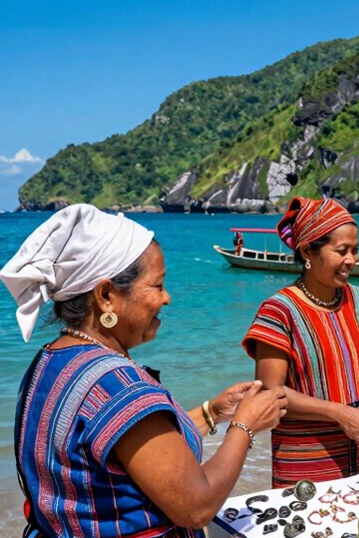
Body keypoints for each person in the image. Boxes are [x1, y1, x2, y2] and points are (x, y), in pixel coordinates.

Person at [1, 204, 286, 538]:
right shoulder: (116, 385)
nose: (166, 298)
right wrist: (244, 426)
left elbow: (129, 449)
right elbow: (196, 507)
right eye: (157, 285)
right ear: (106, 296)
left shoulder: (50, 361)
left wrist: (212, 412)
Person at [243, 196, 359, 487]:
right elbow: (271, 392)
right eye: (341, 251)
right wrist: (339, 413)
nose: (351, 260)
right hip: (306, 465)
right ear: (308, 252)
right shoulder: (279, 310)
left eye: (355, 250)